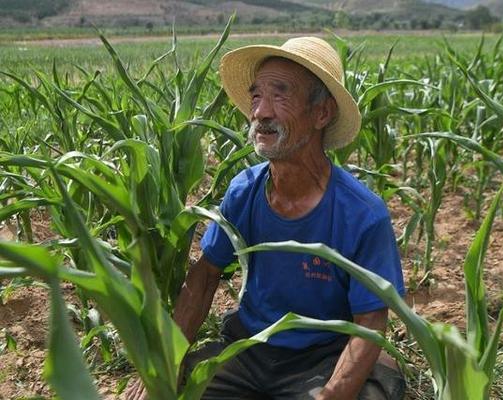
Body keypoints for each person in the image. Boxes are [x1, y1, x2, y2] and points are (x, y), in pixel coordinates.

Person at [127, 36, 405, 400]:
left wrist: (333, 394)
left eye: (280, 95)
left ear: (321, 113)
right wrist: (167, 360)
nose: (261, 112)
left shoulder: (362, 214)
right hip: (250, 349)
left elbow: (370, 322)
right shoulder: (244, 192)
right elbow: (206, 274)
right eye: (256, 96)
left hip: (323, 357)